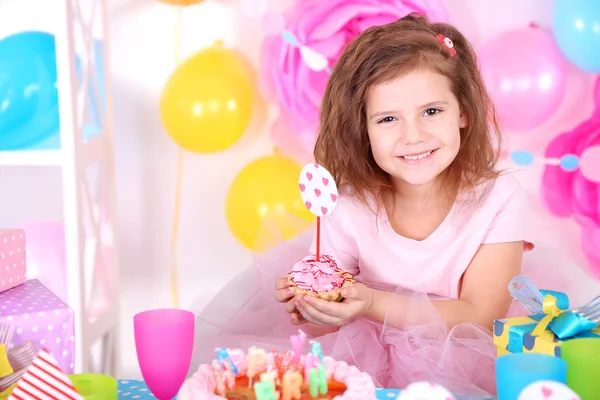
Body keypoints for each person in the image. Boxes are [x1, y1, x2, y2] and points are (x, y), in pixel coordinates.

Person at [190, 13, 596, 396]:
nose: (413, 136)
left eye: (431, 111)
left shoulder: (497, 198)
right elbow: (327, 328)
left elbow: (481, 313)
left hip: (463, 358)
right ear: (362, 129)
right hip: (359, 361)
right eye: (388, 119)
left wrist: (369, 301)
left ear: (464, 114)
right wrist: (315, 310)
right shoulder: (347, 207)